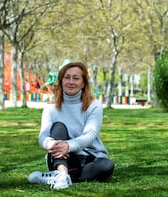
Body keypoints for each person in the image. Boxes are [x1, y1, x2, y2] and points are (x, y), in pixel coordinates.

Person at [28, 62, 114, 190]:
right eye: (67, 77)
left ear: (83, 83)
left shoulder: (94, 105)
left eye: (76, 78)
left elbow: (90, 135)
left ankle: (59, 177)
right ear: (61, 81)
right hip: (61, 159)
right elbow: (43, 136)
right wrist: (49, 144)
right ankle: (61, 172)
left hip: (89, 158)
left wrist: (68, 146)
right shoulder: (50, 108)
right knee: (58, 127)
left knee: (107, 166)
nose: (71, 81)